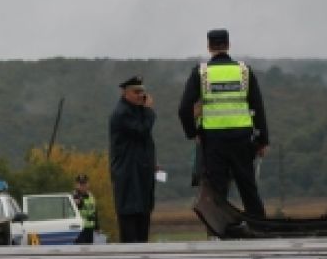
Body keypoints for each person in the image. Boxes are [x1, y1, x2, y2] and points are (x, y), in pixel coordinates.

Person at [178, 29, 269, 217]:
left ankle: (218, 233)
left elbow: (184, 108)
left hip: (213, 141)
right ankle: (261, 229)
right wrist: (262, 140)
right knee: (248, 188)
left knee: (217, 192)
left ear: (209, 47)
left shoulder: (201, 73)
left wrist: (193, 133)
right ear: (228, 45)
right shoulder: (244, 71)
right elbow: (258, 108)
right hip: (242, 139)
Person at [109, 75, 156, 243]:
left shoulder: (135, 111)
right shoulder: (122, 113)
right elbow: (141, 131)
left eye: (142, 92)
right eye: (136, 92)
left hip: (140, 174)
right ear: (125, 93)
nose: (141, 96)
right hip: (128, 176)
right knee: (130, 223)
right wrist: (149, 111)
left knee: (143, 217)